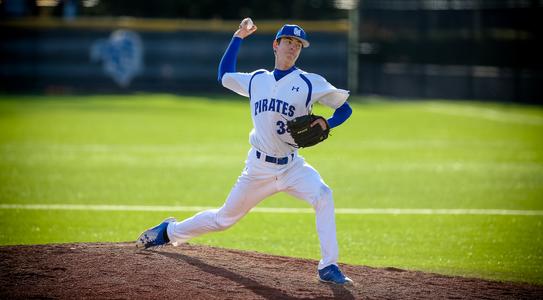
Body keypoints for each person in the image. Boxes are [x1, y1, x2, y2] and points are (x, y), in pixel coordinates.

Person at [137, 18, 354, 285]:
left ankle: (328, 266)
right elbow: (224, 75)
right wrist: (238, 36)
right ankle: (168, 232)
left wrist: (327, 123)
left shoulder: (311, 83)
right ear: (276, 45)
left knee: (323, 195)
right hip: (259, 168)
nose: (293, 48)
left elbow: (345, 108)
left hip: (292, 167)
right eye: (288, 42)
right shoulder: (257, 80)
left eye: (298, 44)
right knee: (223, 220)